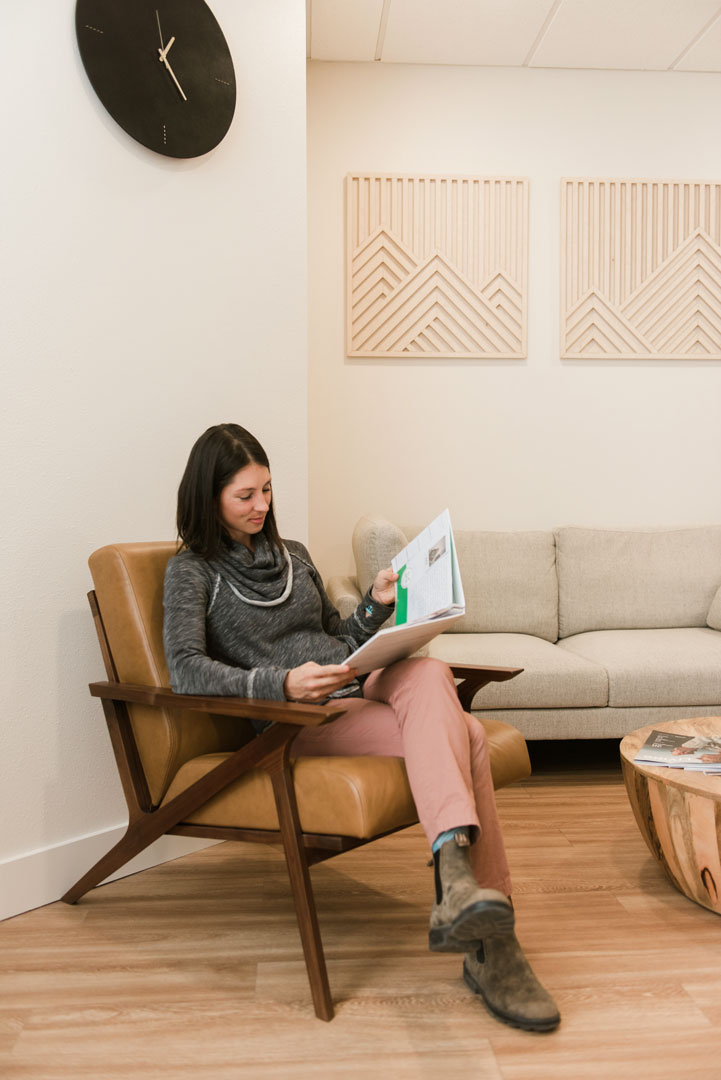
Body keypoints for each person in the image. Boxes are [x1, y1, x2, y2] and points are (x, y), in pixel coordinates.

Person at [163, 422, 560, 1033]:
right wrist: (282, 684)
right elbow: (185, 670)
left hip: (356, 682)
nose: (261, 505)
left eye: (267, 489)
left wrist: (376, 607)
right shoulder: (192, 572)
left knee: (428, 672)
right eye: (245, 495)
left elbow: (339, 638)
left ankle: (459, 891)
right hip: (301, 717)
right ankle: (491, 945)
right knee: (472, 738)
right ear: (207, 497)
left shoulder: (292, 554)